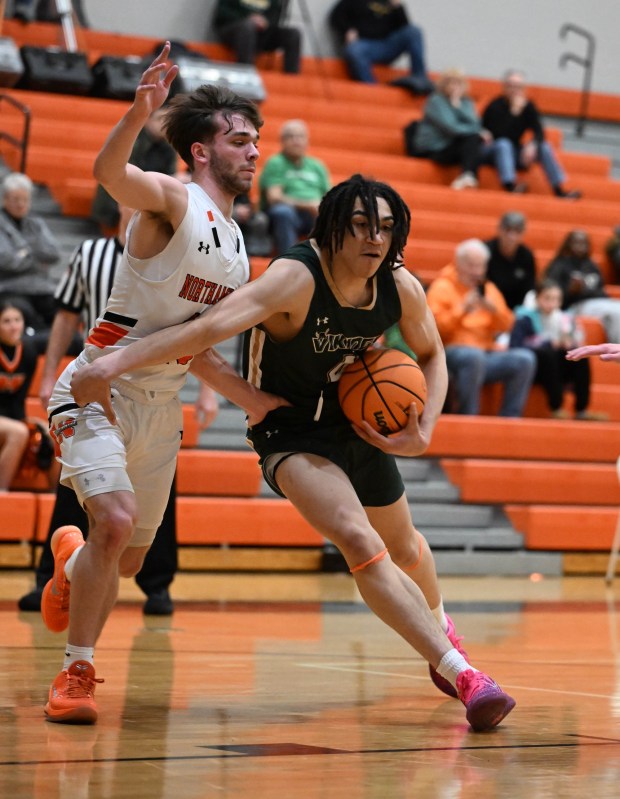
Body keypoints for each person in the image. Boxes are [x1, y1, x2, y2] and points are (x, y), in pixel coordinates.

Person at [70, 174, 516, 733]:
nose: (374, 238)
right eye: (359, 225)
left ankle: (441, 628)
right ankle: (466, 675)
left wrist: (425, 427)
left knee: (406, 546)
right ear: (332, 228)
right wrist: (110, 364)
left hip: (353, 422)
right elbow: (200, 331)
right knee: (360, 541)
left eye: (385, 227)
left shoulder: (401, 286)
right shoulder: (293, 280)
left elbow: (432, 352)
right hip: (290, 432)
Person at [38, 42, 285, 725]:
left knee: (122, 558)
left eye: (256, 141)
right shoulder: (173, 199)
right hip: (95, 387)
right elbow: (110, 172)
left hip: (161, 404)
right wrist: (139, 111)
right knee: (114, 522)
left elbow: (198, 350)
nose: (254, 151)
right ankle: (75, 673)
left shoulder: (237, 250)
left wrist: (260, 403)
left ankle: (69, 556)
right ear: (201, 152)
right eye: (239, 140)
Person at [16, 205, 219, 616]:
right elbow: (66, 315)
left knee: (152, 505)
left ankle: (157, 585)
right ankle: (51, 579)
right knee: (74, 489)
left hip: (156, 393)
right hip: (96, 385)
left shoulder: (183, 259)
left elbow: (197, 332)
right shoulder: (89, 253)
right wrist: (47, 372)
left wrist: (209, 391)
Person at [426, 238, 536, 416]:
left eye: (481, 266)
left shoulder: (488, 289)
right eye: (471, 265)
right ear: (458, 263)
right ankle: (468, 416)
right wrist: (462, 310)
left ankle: (509, 419)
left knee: (525, 359)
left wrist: (494, 310)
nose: (477, 271)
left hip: (485, 352)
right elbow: (434, 331)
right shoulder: (442, 287)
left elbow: (509, 325)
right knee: (473, 357)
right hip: (450, 352)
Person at [510, 278, 604, 420]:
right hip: (536, 368)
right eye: (547, 298)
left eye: (555, 299)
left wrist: (570, 343)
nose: (551, 303)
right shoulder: (525, 318)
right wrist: (547, 343)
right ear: (537, 299)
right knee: (548, 354)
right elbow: (515, 345)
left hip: (558, 369)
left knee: (579, 356)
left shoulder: (565, 319)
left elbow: (578, 339)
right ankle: (556, 407)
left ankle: (581, 410)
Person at [479, 70, 581, 198]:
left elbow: (539, 131)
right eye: (511, 86)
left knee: (543, 146)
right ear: (504, 87)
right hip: (493, 151)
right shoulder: (495, 105)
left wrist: (533, 145)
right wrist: (514, 113)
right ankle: (510, 185)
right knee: (504, 144)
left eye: (518, 87)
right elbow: (500, 134)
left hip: (514, 152)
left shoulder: (527, 106)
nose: (514, 90)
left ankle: (559, 189)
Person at [91, 107, 188, 233]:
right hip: (119, 197)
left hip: (147, 195)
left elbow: (170, 175)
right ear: (147, 120)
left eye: (168, 120)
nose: (165, 123)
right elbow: (124, 175)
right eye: (160, 119)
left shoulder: (168, 146)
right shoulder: (133, 140)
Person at [0, 172, 61, 345]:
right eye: (15, 199)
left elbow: (54, 253)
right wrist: (36, 256)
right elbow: (6, 260)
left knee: (66, 310)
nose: (20, 204)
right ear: (5, 199)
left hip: (41, 287)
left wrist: (23, 252)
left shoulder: (36, 223)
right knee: (22, 310)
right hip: (9, 287)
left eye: (24, 199)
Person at [407, 68, 488, 190]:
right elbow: (451, 127)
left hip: (452, 145)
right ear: (444, 84)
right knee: (473, 137)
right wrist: (476, 130)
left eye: (459, 83)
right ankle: (467, 175)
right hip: (436, 148)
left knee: (474, 139)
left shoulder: (466, 102)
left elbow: (477, 123)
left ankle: (468, 175)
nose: (455, 87)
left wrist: (457, 106)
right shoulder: (436, 101)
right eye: (452, 82)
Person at [328, 0, 433, 94]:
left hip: (387, 45)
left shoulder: (390, 2)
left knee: (414, 31)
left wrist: (398, 7)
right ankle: (373, 90)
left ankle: (419, 77)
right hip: (365, 46)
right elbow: (335, 16)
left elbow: (405, 28)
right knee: (354, 49)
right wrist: (347, 30)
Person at [259, 119, 331, 255]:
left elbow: (330, 197)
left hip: (313, 215)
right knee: (282, 212)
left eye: (300, 136)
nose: (295, 141)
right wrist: (308, 205)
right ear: (282, 141)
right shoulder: (276, 162)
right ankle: (289, 259)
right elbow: (274, 198)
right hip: (287, 215)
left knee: (332, 215)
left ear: (307, 141)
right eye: (290, 136)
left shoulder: (317, 166)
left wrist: (321, 208)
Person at [0, 299, 47, 490]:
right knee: (18, 432)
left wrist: (27, 422)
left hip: (11, 417)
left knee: (52, 431)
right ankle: (2, 492)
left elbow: (21, 399)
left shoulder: (28, 352)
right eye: (6, 321)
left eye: (17, 320)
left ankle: (54, 497)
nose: (13, 326)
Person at [544, 229, 620, 343]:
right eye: (577, 242)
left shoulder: (591, 265)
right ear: (568, 244)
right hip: (576, 304)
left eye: (584, 243)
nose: (581, 246)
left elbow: (601, 290)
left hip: (598, 301)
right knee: (616, 313)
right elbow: (550, 294)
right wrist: (571, 290)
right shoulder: (559, 265)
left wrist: (588, 290)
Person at [212, 0, 302, 75]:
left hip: (261, 34)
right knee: (247, 26)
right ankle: (246, 73)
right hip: (234, 29)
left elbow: (275, 14)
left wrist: (265, 21)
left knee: (293, 34)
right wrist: (248, 18)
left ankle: (291, 79)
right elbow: (222, 12)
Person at [484, 211, 537, 309]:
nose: (512, 236)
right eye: (508, 230)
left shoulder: (527, 256)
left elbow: (529, 289)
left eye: (517, 231)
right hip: (487, 306)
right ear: (499, 229)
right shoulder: (484, 251)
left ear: (523, 233)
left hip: (516, 310)